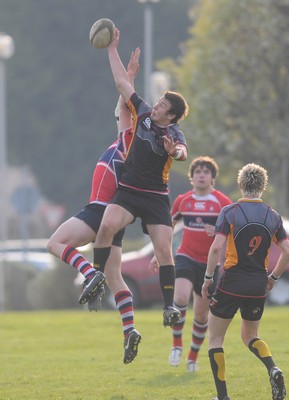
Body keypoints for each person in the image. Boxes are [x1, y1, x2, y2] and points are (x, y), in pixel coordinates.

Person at [78, 28, 190, 328]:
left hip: (155, 197)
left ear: (172, 116)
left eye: (163, 106)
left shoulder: (174, 133)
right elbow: (121, 82)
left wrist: (173, 152)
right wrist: (111, 49)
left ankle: (170, 308)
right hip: (128, 190)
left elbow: (182, 152)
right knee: (106, 227)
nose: (156, 106)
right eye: (158, 102)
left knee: (164, 248)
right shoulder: (141, 111)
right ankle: (96, 279)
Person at [47, 48, 142, 364]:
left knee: (55, 242)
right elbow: (122, 105)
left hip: (100, 209)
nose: (120, 116)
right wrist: (128, 78)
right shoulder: (124, 141)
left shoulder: (130, 142)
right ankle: (130, 330)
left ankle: (88, 272)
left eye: (125, 116)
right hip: (112, 218)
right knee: (116, 276)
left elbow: (125, 105)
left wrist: (120, 70)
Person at [202, 163, 289, 400]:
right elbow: (287, 251)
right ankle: (273, 368)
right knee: (250, 336)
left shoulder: (229, 212)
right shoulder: (273, 215)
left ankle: (223, 397)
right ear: (263, 186)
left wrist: (208, 278)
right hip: (257, 285)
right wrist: (273, 278)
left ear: (241, 184)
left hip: (231, 281)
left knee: (216, 338)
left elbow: (216, 248)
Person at [162, 156, 232, 372]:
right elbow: (167, 228)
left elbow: (234, 231)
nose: (201, 175)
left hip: (209, 265)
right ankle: (176, 345)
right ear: (191, 177)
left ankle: (192, 357)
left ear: (213, 178)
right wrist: (159, 255)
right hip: (186, 256)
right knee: (180, 297)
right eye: (198, 172)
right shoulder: (183, 200)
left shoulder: (223, 203)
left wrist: (219, 232)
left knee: (202, 315)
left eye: (206, 172)